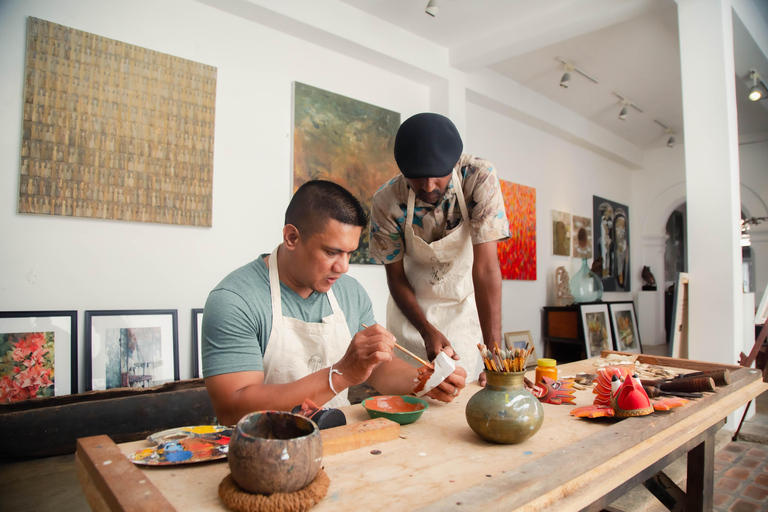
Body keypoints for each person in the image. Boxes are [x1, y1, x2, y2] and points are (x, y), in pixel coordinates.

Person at [202, 180, 466, 425]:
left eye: (350, 253)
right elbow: (232, 409)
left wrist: (426, 380)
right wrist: (341, 374)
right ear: (292, 238)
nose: (344, 267)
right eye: (332, 252)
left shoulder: (350, 293)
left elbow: (378, 369)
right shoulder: (234, 301)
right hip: (263, 450)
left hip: (338, 437)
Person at [369, 113, 510, 383]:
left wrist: (494, 356)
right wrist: (426, 330)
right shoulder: (387, 201)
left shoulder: (478, 178)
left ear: (454, 162)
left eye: (438, 176)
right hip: (411, 315)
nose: (428, 186)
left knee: (461, 401)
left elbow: (486, 269)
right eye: (417, 178)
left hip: (461, 311)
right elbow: (395, 277)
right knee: (414, 395)